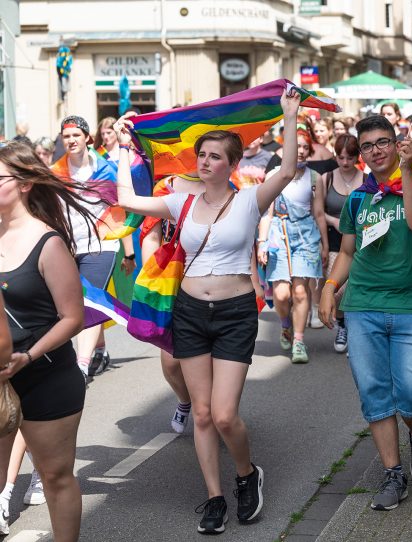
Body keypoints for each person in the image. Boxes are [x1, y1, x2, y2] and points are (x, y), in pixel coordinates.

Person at [112, 88, 302, 534]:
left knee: (223, 415)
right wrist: (123, 148)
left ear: (232, 164)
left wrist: (289, 116)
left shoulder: (249, 200)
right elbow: (127, 199)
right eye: (202, 155)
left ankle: (246, 473)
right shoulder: (182, 202)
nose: (204, 162)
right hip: (191, 311)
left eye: (215, 156)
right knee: (200, 413)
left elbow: (289, 168)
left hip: (236, 312)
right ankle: (214, 496)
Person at [319, 115, 412, 511]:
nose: (375, 151)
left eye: (383, 142)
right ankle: (393, 473)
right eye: (367, 146)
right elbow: (349, 251)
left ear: (396, 143)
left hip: (410, 308)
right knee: (375, 395)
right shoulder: (358, 199)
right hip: (364, 307)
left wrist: (406, 169)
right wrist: (330, 288)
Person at [0, 141, 94, 541]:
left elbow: (74, 318)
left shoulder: (48, 241)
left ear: (22, 184)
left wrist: (28, 356)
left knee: (55, 477)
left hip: (45, 374)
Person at [55, 116, 136, 381]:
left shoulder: (106, 171)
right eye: (66, 136)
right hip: (67, 246)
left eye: (76, 135)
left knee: (88, 297)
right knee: (81, 301)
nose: (71, 141)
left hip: (101, 245)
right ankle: (100, 349)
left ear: (88, 138)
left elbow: (120, 211)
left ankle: (81, 364)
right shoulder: (55, 172)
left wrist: (129, 251)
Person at [140, 173, 206, 433]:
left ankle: (210, 412)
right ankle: (185, 400)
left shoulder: (221, 183)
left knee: (209, 357)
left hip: (210, 280)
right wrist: (152, 280)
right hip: (171, 280)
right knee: (171, 361)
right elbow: (151, 235)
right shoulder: (165, 186)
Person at [258, 129, 329, 363]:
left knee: (300, 290)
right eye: (296, 146)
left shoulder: (314, 178)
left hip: (306, 235)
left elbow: (319, 213)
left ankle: (299, 341)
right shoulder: (273, 176)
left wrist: (325, 246)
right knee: (281, 294)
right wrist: (262, 243)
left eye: (304, 148)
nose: (300, 151)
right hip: (278, 235)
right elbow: (266, 213)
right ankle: (285, 323)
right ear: (286, 149)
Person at [319, 134, 364, 353]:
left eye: (349, 157)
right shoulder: (326, 178)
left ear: (357, 157)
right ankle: (343, 325)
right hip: (335, 242)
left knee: (356, 288)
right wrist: (334, 223)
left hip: (361, 243)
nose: (345, 162)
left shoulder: (366, 179)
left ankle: (355, 329)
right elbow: (318, 212)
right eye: (340, 157)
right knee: (337, 290)